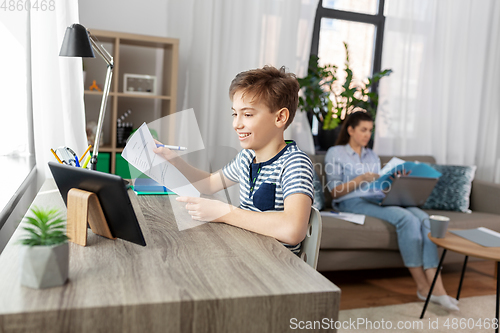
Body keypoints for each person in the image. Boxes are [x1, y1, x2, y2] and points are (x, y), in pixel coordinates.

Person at [154, 65, 314, 254]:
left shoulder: (295, 163)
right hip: (245, 251)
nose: (237, 124)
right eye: (235, 113)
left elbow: (293, 230)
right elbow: (209, 184)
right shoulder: (246, 158)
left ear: (280, 117)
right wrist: (174, 160)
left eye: (247, 114)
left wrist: (224, 212)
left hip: (274, 267)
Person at [324, 111, 459, 311]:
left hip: (377, 198)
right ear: (350, 130)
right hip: (350, 202)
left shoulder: (372, 155)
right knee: (406, 219)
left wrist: (395, 183)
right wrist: (360, 179)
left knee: (425, 220)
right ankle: (425, 287)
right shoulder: (335, 153)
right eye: (363, 129)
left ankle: (437, 287)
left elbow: (379, 185)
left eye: (370, 130)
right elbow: (334, 192)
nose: (367, 134)